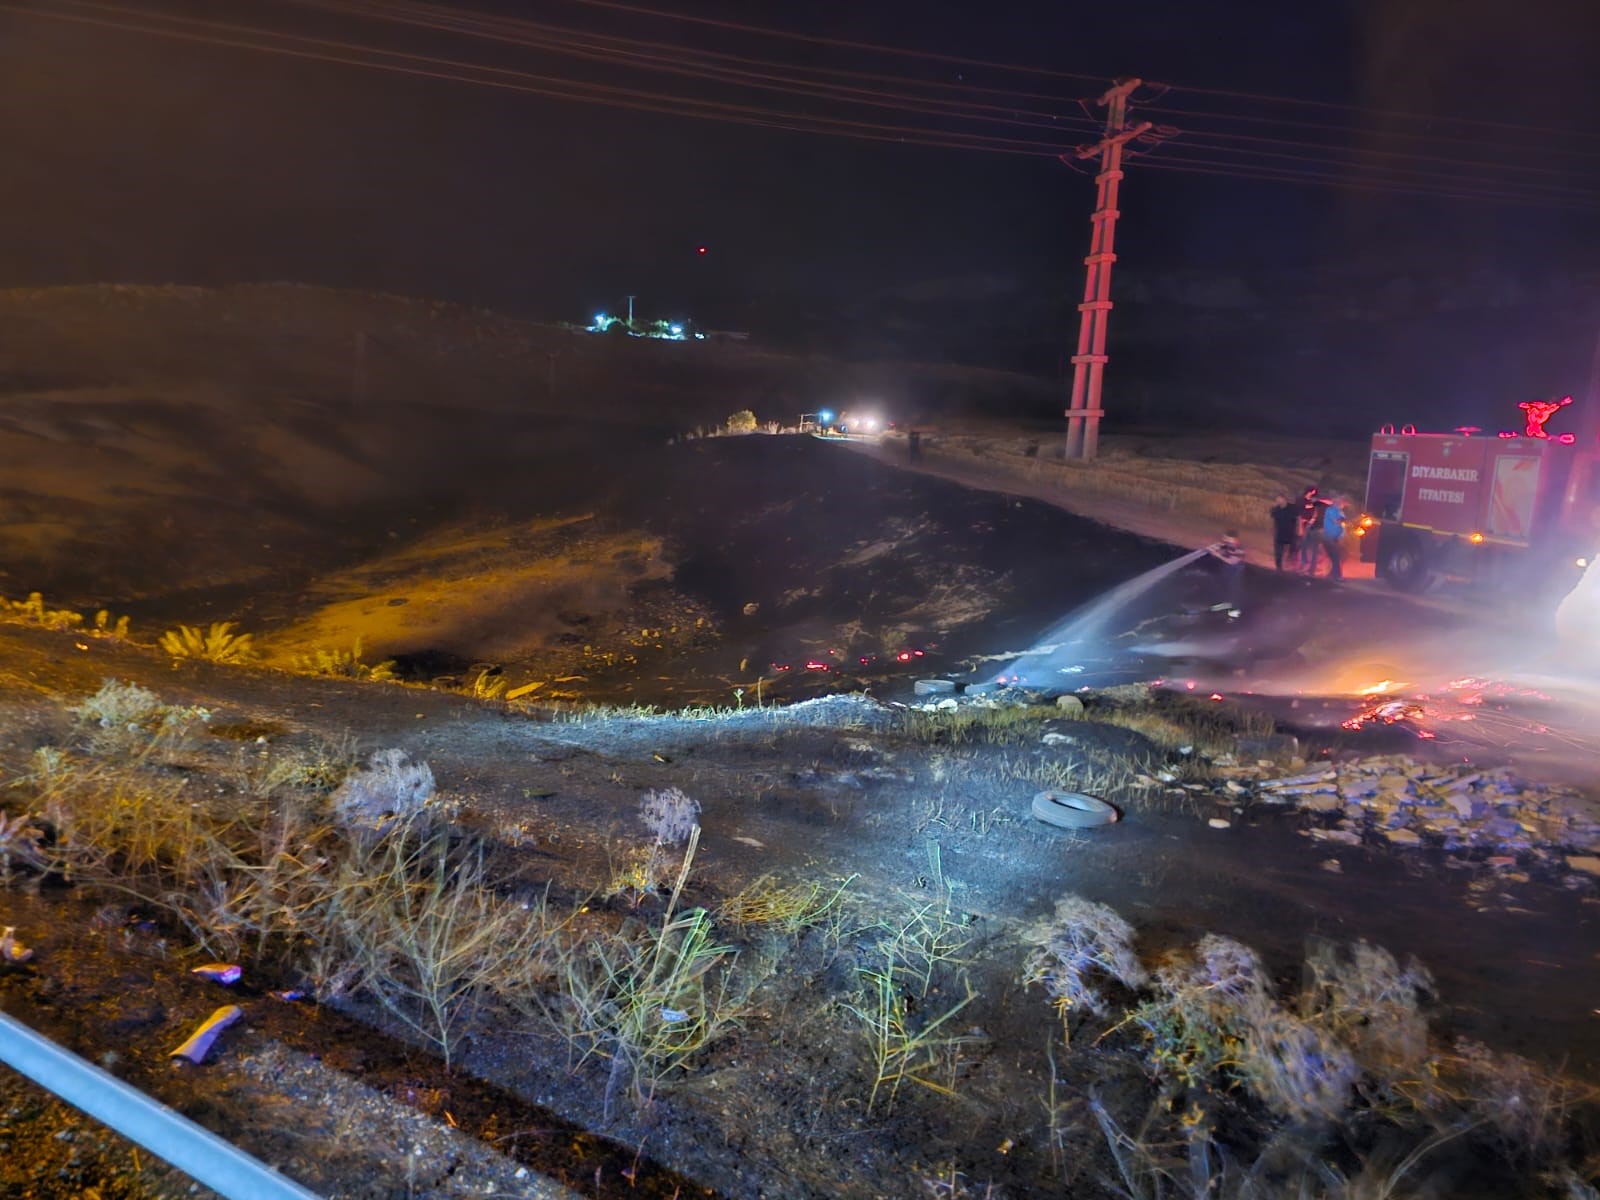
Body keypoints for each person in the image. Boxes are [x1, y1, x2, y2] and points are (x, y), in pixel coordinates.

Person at [1208, 530, 1246, 608]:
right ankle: (1224, 603)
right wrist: (1215, 547)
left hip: (1235, 569)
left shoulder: (1239, 548)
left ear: (1235, 540)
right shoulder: (1227, 545)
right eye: (1224, 538)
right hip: (1226, 567)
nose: (1224, 540)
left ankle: (1234, 606)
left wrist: (1216, 554)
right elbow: (1220, 551)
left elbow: (1232, 562)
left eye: (1227, 538)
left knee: (1233, 587)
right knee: (1223, 584)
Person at [1296, 486, 1327, 574]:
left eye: (1314, 493)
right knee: (1303, 544)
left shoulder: (1313, 502)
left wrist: (1313, 519)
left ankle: (1310, 564)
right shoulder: (1301, 500)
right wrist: (1300, 526)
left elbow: (1318, 508)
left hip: (1311, 525)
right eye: (1311, 492)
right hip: (1303, 523)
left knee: (1312, 546)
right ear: (1307, 492)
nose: (1312, 494)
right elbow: (1300, 512)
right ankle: (1303, 562)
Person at [1320, 495, 1349, 581]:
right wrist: (1343, 520)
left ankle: (1333, 574)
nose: (1344, 504)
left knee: (1334, 557)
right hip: (1330, 537)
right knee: (1335, 557)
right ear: (1338, 502)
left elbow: (1341, 521)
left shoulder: (1338, 511)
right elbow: (1336, 521)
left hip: (1334, 537)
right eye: (1343, 502)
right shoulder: (1332, 510)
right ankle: (1337, 575)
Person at [1269, 494, 1300, 571]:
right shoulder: (1275, 509)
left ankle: (1291, 565)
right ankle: (1279, 567)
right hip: (1279, 533)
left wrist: (1299, 529)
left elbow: (1299, 518)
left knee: (1292, 550)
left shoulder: (1292, 508)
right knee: (1278, 552)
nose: (1278, 501)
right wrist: (1273, 530)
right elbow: (1273, 520)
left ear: (1284, 499)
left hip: (1290, 533)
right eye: (1277, 500)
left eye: (1279, 499)